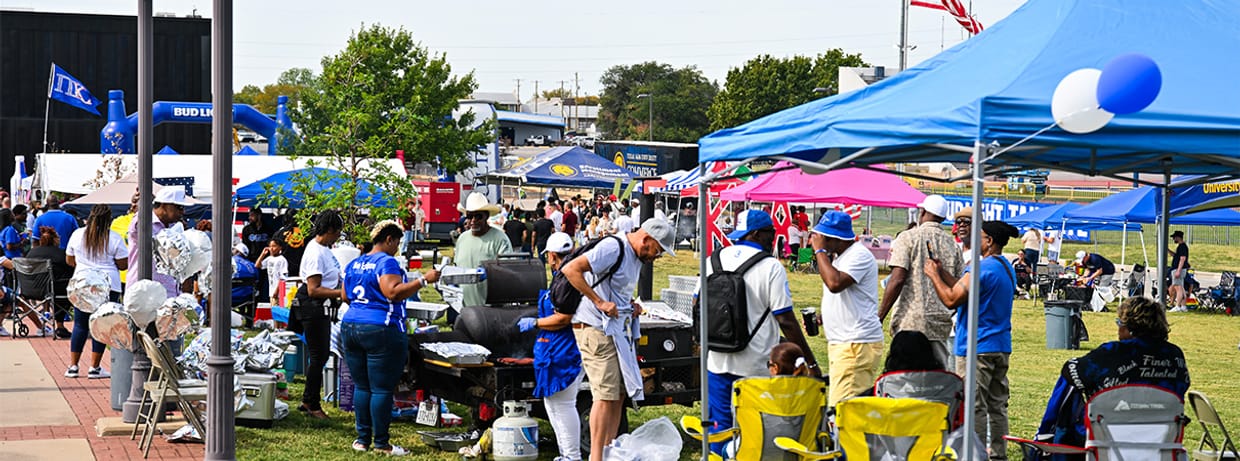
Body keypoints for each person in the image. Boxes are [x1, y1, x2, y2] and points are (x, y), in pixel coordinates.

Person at [704, 210, 820, 455]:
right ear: (757, 233)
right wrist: (809, 361)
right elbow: (786, 320)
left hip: (716, 360)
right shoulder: (770, 267)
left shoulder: (712, 260)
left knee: (720, 429)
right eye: (771, 233)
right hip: (756, 367)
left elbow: (698, 305)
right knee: (756, 433)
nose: (774, 238)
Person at [562, 219, 676, 461]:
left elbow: (616, 287)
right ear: (646, 239)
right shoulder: (614, 247)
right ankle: (596, 457)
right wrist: (599, 302)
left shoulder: (635, 256)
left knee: (619, 394)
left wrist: (629, 305)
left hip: (616, 330)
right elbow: (571, 270)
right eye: (658, 250)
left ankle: (609, 451)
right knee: (604, 396)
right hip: (594, 328)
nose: (658, 256)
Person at [1034, 296, 1189, 454]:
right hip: (1161, 442)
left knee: (1071, 385)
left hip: (1111, 441)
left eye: (1119, 323)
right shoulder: (1175, 355)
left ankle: (1047, 437)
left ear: (1130, 328)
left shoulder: (1112, 352)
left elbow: (1069, 371)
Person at [341, 220, 440, 456]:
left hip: (351, 324)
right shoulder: (386, 261)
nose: (397, 247)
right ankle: (381, 443)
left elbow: (345, 295)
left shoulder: (356, 262)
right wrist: (423, 280)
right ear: (388, 240)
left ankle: (362, 439)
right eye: (396, 242)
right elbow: (393, 292)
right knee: (382, 388)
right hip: (380, 328)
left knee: (362, 385)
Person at [925, 220, 1020, 460]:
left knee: (973, 405)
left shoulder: (981, 269)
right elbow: (963, 287)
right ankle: (998, 453)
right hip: (999, 345)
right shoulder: (1004, 266)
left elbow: (950, 299)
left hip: (977, 348)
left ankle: (975, 453)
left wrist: (934, 275)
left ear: (988, 241)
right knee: (997, 405)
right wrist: (943, 271)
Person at [516, 232, 584, 461]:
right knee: (553, 405)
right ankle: (565, 454)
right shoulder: (563, 277)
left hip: (564, 351)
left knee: (563, 405)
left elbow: (563, 318)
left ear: (553, 256)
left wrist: (535, 322)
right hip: (552, 349)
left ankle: (572, 456)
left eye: (549, 257)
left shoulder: (567, 280)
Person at [878, 195, 963, 367]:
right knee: (937, 380)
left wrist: (879, 317)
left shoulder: (907, 238)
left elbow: (897, 279)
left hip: (909, 322)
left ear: (922, 212)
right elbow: (959, 285)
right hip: (939, 323)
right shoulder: (952, 245)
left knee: (905, 377)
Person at [810, 211, 883, 406]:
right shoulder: (841, 257)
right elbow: (847, 296)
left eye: (824, 237)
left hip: (855, 345)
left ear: (837, 239)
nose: (819, 240)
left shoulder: (859, 255)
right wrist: (823, 316)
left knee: (842, 411)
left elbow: (835, 283)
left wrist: (819, 251)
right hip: (845, 343)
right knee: (848, 409)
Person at [65, 204, 129, 379]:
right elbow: (123, 264)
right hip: (108, 285)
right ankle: (95, 367)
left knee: (80, 325)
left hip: (83, 283)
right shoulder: (114, 238)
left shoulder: (78, 235)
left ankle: (73, 366)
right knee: (102, 325)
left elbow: (69, 260)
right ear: (109, 219)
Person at [295, 210, 346, 420]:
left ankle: (309, 399)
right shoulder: (315, 252)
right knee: (319, 356)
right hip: (313, 306)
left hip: (324, 305)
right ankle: (311, 402)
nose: (338, 237)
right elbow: (313, 289)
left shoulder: (325, 249)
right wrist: (341, 293)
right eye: (338, 233)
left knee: (321, 355)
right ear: (330, 230)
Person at [453, 192, 512, 312]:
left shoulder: (500, 238)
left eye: (478, 216)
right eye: (470, 216)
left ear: (486, 216)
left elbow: (508, 268)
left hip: (492, 309)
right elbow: (457, 265)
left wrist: (490, 271)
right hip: (465, 308)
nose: (473, 221)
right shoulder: (462, 238)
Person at [27, 226, 73, 338]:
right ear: (56, 240)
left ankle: (42, 324)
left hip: (32, 290)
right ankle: (60, 326)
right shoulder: (61, 254)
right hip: (56, 290)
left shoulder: (31, 253)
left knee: (55, 288)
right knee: (63, 292)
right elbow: (71, 270)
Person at [256, 239, 288, 306]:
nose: (271, 248)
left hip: (278, 293)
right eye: (270, 246)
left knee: (276, 310)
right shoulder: (269, 259)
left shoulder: (282, 260)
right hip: (271, 291)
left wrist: (276, 292)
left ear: (280, 247)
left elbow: (283, 278)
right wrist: (263, 254)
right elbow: (257, 265)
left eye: (274, 246)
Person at [1168, 230, 1190, 312]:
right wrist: (1168, 250)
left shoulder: (1182, 246)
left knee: (1178, 287)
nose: (1173, 239)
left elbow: (1182, 258)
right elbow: (1176, 256)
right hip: (1180, 269)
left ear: (1178, 237)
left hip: (1178, 269)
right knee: (1182, 288)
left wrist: (1178, 270)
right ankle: (1183, 306)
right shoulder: (1181, 247)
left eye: (1174, 237)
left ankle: (1177, 306)